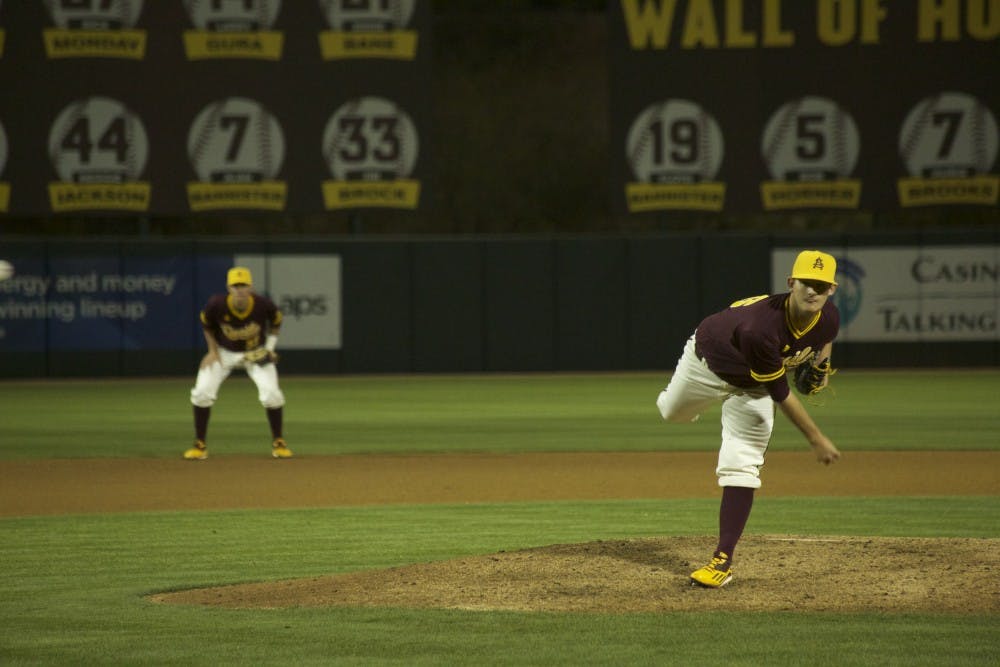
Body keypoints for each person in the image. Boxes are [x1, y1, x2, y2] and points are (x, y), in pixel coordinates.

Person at [656, 249, 841, 588]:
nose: (813, 291)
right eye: (806, 283)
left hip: (753, 386)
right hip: (707, 366)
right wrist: (817, 438)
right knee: (671, 412)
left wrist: (821, 365)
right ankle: (687, 404)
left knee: (741, 463)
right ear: (791, 283)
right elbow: (782, 395)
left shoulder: (829, 316)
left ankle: (722, 560)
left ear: (832, 289)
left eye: (821, 285)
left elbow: (825, 336)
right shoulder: (761, 329)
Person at [183, 266, 292, 460]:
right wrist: (212, 351)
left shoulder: (262, 304)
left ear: (250, 287)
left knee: (272, 395)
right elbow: (206, 325)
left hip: (256, 353)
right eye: (235, 286)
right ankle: (200, 445)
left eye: (243, 285)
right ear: (228, 288)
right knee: (201, 392)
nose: (239, 290)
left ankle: (279, 442)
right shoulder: (217, 304)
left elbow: (276, 322)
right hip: (225, 353)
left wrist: (269, 348)